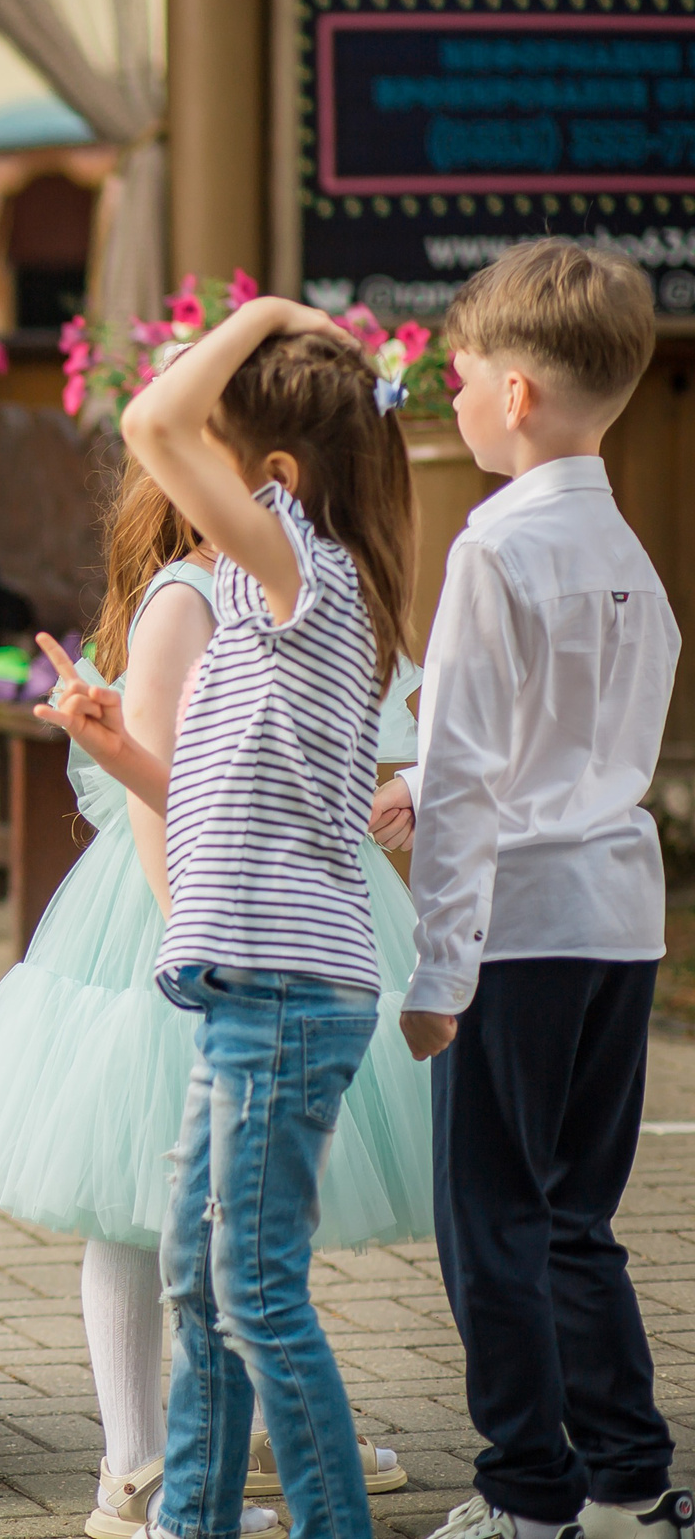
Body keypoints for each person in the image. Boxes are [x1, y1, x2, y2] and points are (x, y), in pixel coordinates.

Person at [0, 456, 427, 1539]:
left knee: (257, 1183)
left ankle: (251, 1421)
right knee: (140, 1181)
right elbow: (156, 783)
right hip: (184, 911)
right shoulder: (183, 599)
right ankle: (136, 1458)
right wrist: (187, 922)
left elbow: (384, 720)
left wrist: (394, 787)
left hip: (295, 897)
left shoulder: (313, 585)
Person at [40, 296, 415, 1539]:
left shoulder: (305, 574)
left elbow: (151, 415)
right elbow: (236, 797)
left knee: (250, 1288)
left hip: (286, 995)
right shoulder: (278, 605)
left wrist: (259, 312)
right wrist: (120, 747)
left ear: (276, 479)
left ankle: (329, 1521)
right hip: (256, 984)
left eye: (225, 455)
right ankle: (188, 1520)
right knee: (207, 1280)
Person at [373, 241, 686, 1539]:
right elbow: (567, 745)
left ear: (513, 394)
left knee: (491, 1222)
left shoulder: (495, 544)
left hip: (512, 923)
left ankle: (523, 1493)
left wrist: (439, 971)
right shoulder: (628, 547)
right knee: (576, 1216)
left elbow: (462, 781)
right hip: (619, 913)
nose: (449, 394)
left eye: (459, 373)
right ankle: (625, 1478)